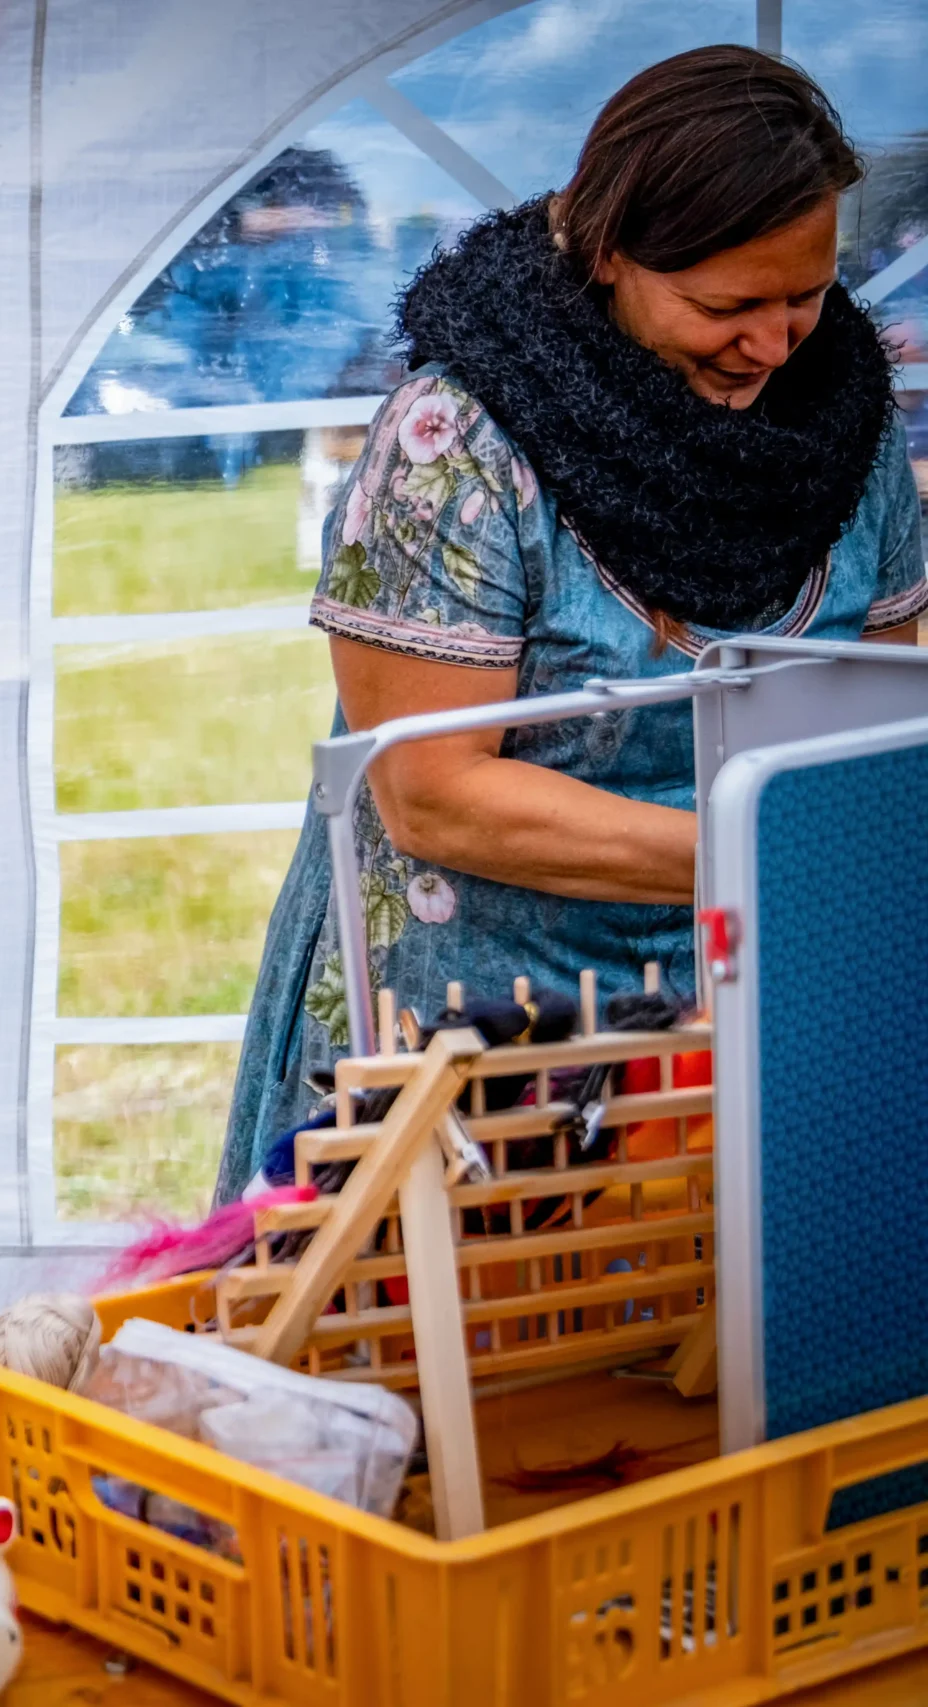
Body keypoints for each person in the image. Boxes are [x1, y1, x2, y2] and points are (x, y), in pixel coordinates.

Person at [222, 47, 923, 1197]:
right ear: (607, 256)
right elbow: (431, 788)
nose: (773, 344)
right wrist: (763, 854)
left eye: (803, 296)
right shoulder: (452, 441)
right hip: (472, 1054)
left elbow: (870, 736)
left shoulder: (848, 429)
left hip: (748, 1023)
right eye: (724, 306)